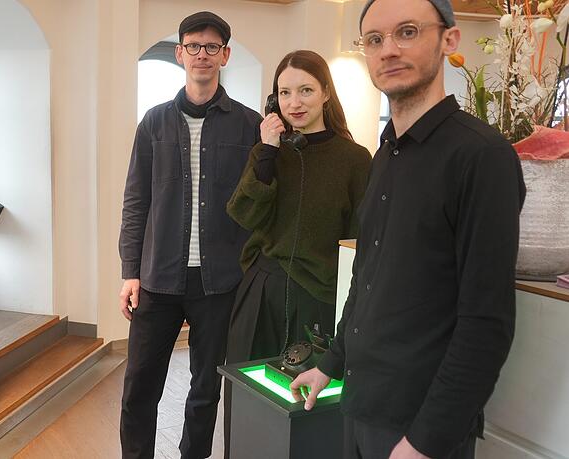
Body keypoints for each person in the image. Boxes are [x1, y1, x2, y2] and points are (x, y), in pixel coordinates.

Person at [291, 1, 527, 458]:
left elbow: (487, 322)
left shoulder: (482, 157)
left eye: (407, 32)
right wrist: (330, 364)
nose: (388, 50)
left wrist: (425, 441)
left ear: (449, 39)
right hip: (361, 404)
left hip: (418, 425)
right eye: (375, 40)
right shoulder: (386, 153)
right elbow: (367, 278)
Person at [118, 11, 262, 459]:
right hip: (158, 277)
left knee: (205, 391)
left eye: (212, 47)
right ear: (180, 53)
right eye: (194, 46)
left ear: (225, 55)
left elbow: (259, 204)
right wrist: (129, 272)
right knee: (139, 388)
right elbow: (136, 201)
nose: (203, 54)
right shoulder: (154, 123)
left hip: (220, 282)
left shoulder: (249, 125)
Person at [223, 50, 371, 455]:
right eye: (284, 93)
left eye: (305, 90)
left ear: (325, 93)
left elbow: (360, 241)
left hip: (319, 296)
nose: (294, 102)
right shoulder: (269, 151)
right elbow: (243, 213)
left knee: (309, 407)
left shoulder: (355, 159)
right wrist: (267, 152)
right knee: (249, 398)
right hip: (263, 289)